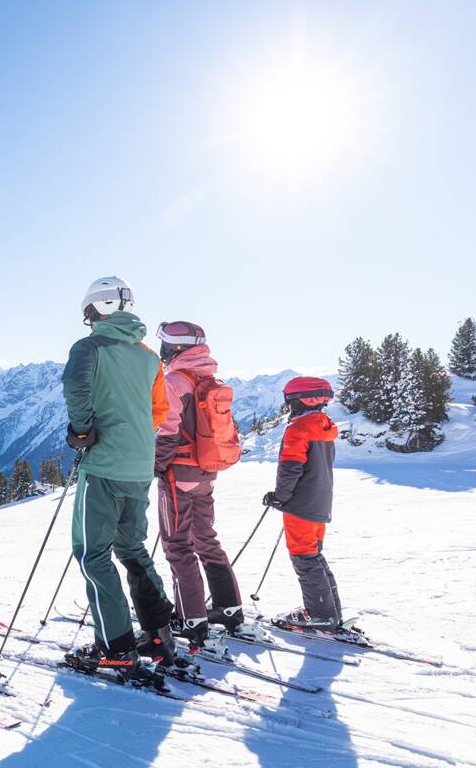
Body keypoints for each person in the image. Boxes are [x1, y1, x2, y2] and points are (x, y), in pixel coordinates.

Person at [62, 276, 176, 679]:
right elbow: (157, 411)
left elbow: (75, 387)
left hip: (104, 467)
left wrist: (81, 431)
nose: (87, 319)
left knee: (92, 553)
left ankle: (116, 649)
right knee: (131, 546)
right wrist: (133, 436)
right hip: (139, 465)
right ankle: (160, 634)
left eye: (88, 312)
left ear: (98, 308)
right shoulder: (148, 356)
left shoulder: (89, 348)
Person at [154, 321, 244, 650]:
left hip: (179, 473)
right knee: (206, 538)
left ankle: (191, 618)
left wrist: (158, 466)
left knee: (177, 545)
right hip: (207, 471)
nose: (162, 350)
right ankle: (229, 607)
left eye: (165, 344)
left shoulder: (175, 381)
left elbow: (168, 430)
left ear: (176, 348)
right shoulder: (209, 379)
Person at [262, 376, 343, 630]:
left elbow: (290, 468)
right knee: (313, 556)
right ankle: (330, 611)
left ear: (303, 401)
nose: (289, 408)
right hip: (319, 503)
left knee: (304, 559)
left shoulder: (298, 430)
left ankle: (320, 614)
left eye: (291, 402)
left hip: (301, 506)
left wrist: (280, 497)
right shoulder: (324, 426)